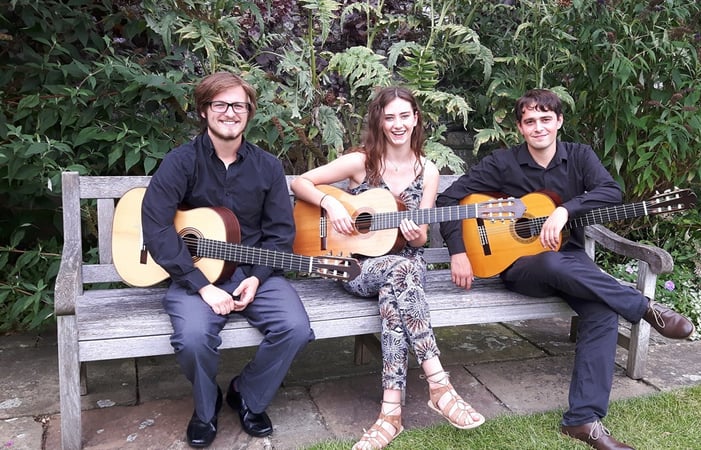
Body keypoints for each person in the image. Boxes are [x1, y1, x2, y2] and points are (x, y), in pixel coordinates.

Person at [436, 89, 694, 450]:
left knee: (602, 310)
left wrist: (564, 210)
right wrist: (459, 252)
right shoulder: (502, 163)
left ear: (558, 121)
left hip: (571, 264)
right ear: (520, 128)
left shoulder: (579, 156)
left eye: (546, 119)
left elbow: (610, 191)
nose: (538, 127)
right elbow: (448, 199)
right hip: (521, 268)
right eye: (530, 121)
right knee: (547, 259)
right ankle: (642, 307)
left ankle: (583, 421)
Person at [291, 86, 485, 450]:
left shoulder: (427, 171)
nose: (397, 124)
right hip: (353, 266)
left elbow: (420, 238)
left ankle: (389, 414)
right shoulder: (361, 162)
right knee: (400, 275)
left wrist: (412, 234)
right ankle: (439, 386)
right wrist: (331, 206)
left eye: (404, 116)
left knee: (396, 296)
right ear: (379, 121)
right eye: (389, 116)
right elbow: (301, 182)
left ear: (416, 119)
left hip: (404, 266)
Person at [141, 72, 315, 448]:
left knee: (296, 328)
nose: (229, 112)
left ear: (249, 113)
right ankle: (206, 410)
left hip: (253, 273)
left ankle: (247, 394)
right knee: (191, 338)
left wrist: (258, 276)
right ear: (204, 111)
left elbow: (280, 234)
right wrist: (201, 286)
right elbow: (155, 226)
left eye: (238, 105)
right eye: (220, 104)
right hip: (193, 277)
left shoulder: (268, 166)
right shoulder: (180, 162)